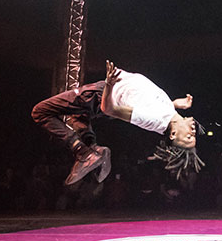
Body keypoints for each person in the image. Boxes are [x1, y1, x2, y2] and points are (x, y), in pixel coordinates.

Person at [31, 60, 203, 186]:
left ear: (173, 134)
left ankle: (83, 152)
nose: (193, 132)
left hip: (100, 95)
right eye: (193, 136)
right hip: (103, 97)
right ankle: (95, 149)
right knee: (77, 117)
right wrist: (173, 103)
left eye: (188, 137)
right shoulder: (167, 115)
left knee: (40, 111)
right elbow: (149, 105)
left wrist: (109, 85)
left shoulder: (156, 119)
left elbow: (109, 109)